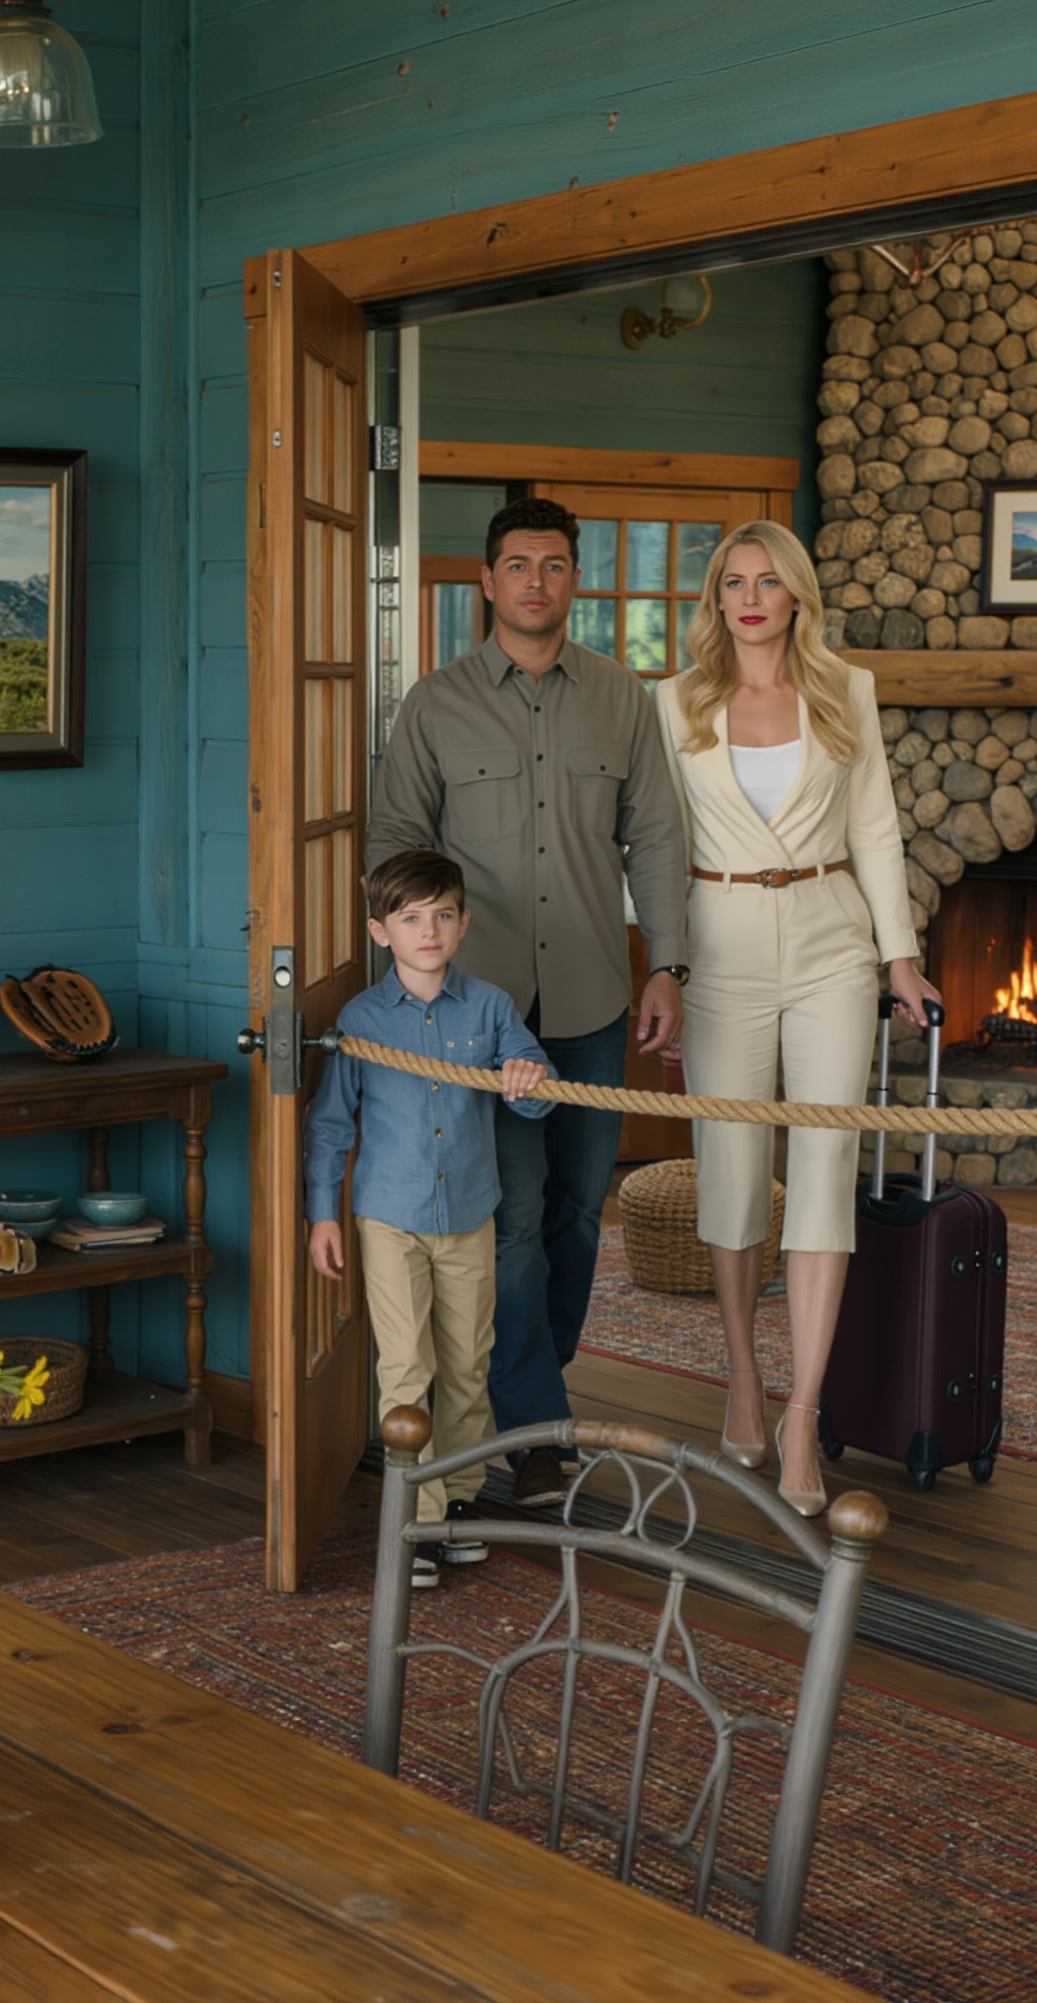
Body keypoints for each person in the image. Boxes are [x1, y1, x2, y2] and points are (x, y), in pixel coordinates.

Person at [366, 498, 689, 1508]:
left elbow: (657, 837)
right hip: (474, 1013)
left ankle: (526, 1399)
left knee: (578, 1215)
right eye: (517, 564)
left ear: (573, 579)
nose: (535, 581)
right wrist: (415, 973)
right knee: (509, 1218)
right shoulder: (435, 704)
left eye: (553, 564)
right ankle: (535, 1427)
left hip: (591, 995)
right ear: (487, 580)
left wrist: (667, 965)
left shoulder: (623, 699)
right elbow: (393, 843)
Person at [654, 519, 939, 1515]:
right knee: (731, 1171)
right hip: (718, 946)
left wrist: (899, 956)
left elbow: (875, 829)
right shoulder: (673, 701)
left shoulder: (844, 690)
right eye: (732, 582)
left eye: (766, 582)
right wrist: (661, 966)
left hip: (830, 945)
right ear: (715, 598)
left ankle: (803, 1413)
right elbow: (653, 840)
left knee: (821, 1173)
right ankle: (743, 1372)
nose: (748, 598)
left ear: (795, 597)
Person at [305, 849, 552, 1586]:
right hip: (390, 1218)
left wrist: (528, 1076)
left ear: (464, 922)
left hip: (470, 1214)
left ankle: (459, 1502)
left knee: (468, 1365)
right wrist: (323, 1215)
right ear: (381, 932)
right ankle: (414, 1518)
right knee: (406, 1369)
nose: (430, 931)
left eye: (442, 915)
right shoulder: (361, 1020)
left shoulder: (492, 1008)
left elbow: (538, 1097)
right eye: (411, 919)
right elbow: (330, 1125)